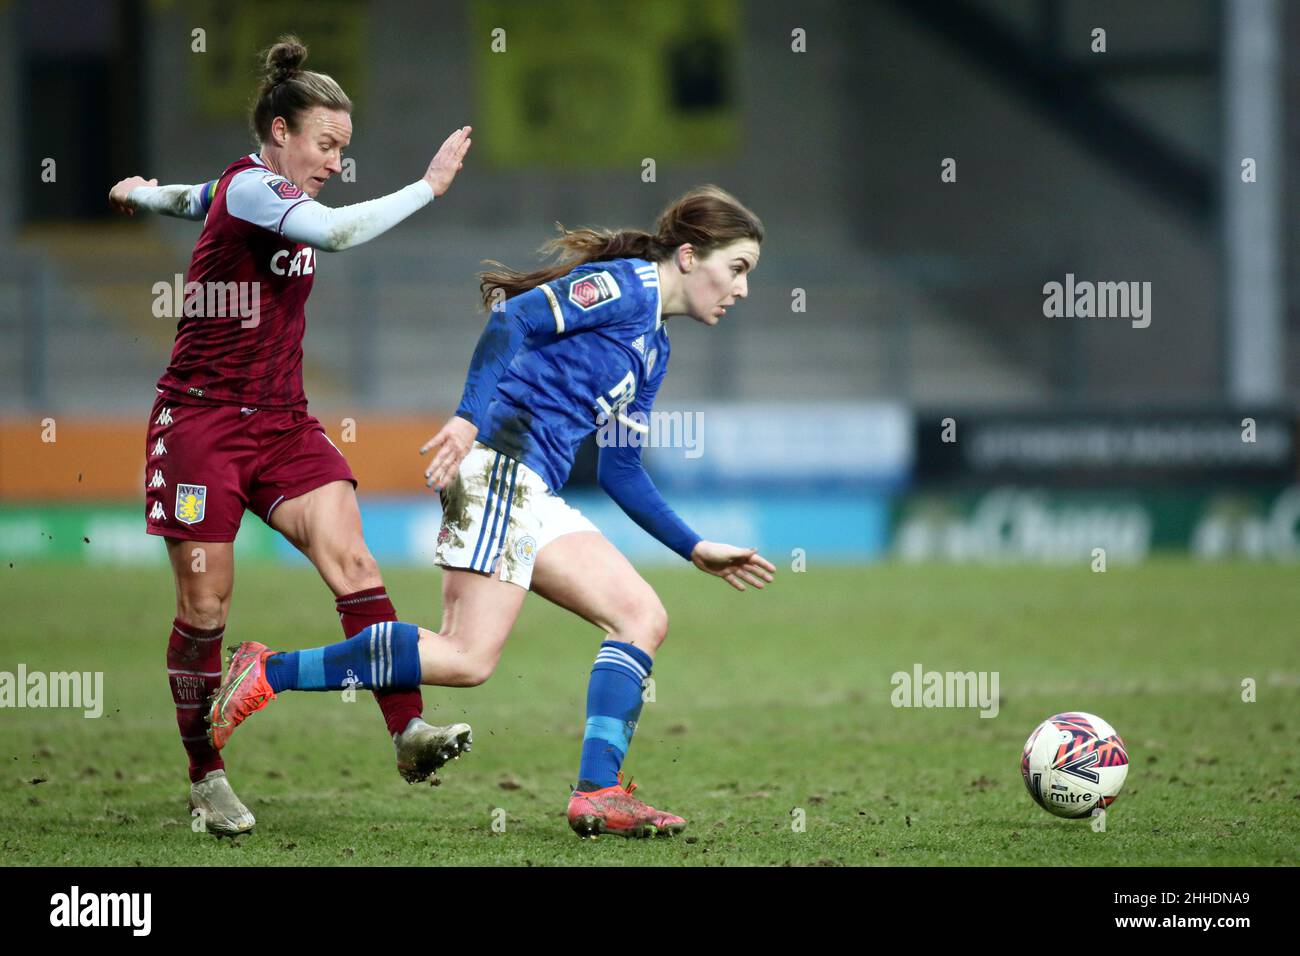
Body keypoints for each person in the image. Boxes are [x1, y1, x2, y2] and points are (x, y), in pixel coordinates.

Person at [207, 185, 776, 839]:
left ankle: (599, 793)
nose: (742, 289)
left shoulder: (655, 347)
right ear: (687, 256)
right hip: (499, 468)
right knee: (466, 659)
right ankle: (268, 669)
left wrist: (693, 546)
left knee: (641, 615)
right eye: (737, 269)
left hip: (535, 489)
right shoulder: (623, 287)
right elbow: (513, 320)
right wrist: (467, 418)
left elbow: (619, 467)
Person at [107, 35, 473, 836]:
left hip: (281, 422)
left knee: (355, 560)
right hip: (200, 422)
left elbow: (194, 196)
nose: (337, 162)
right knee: (206, 611)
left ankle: (407, 730)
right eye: (327, 144)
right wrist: (427, 187)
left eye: (344, 148)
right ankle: (206, 779)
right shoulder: (257, 191)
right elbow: (336, 233)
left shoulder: (236, 190)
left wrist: (144, 193)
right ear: (280, 131)